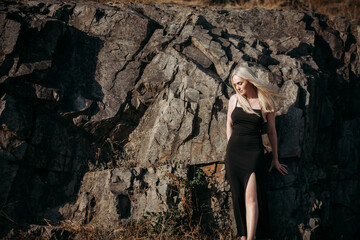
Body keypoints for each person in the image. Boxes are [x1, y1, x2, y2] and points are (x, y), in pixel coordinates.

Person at [225, 65, 288, 240]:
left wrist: (275, 158)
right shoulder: (234, 100)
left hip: (254, 154)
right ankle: (243, 236)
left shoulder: (265, 102)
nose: (238, 87)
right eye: (235, 84)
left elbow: (272, 132)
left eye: (240, 83)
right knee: (237, 197)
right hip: (233, 153)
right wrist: (230, 148)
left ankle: (250, 238)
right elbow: (229, 125)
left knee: (251, 198)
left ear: (249, 80)